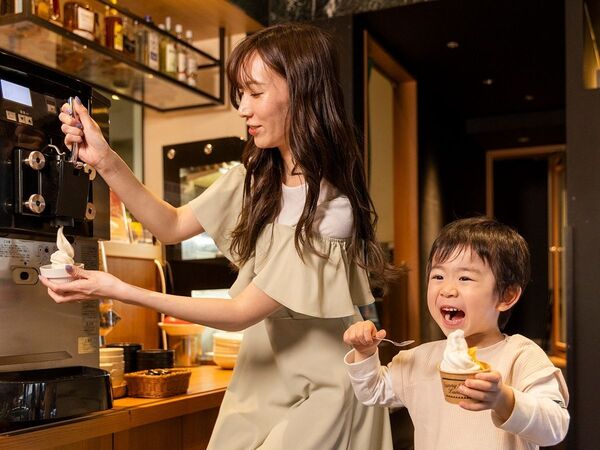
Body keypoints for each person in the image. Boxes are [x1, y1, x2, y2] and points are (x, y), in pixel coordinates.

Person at [42, 23, 394, 449]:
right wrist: (105, 160)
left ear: (303, 92)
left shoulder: (330, 208)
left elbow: (242, 312)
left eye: (255, 93)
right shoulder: (252, 182)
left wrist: (117, 288)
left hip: (328, 391)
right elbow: (170, 226)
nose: (243, 108)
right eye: (240, 94)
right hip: (262, 380)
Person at [343, 217, 570, 450]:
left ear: (506, 296)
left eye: (464, 278)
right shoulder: (420, 359)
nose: (447, 290)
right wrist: (365, 353)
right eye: (438, 276)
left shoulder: (521, 356)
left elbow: (555, 427)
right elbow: (373, 392)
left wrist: (504, 400)